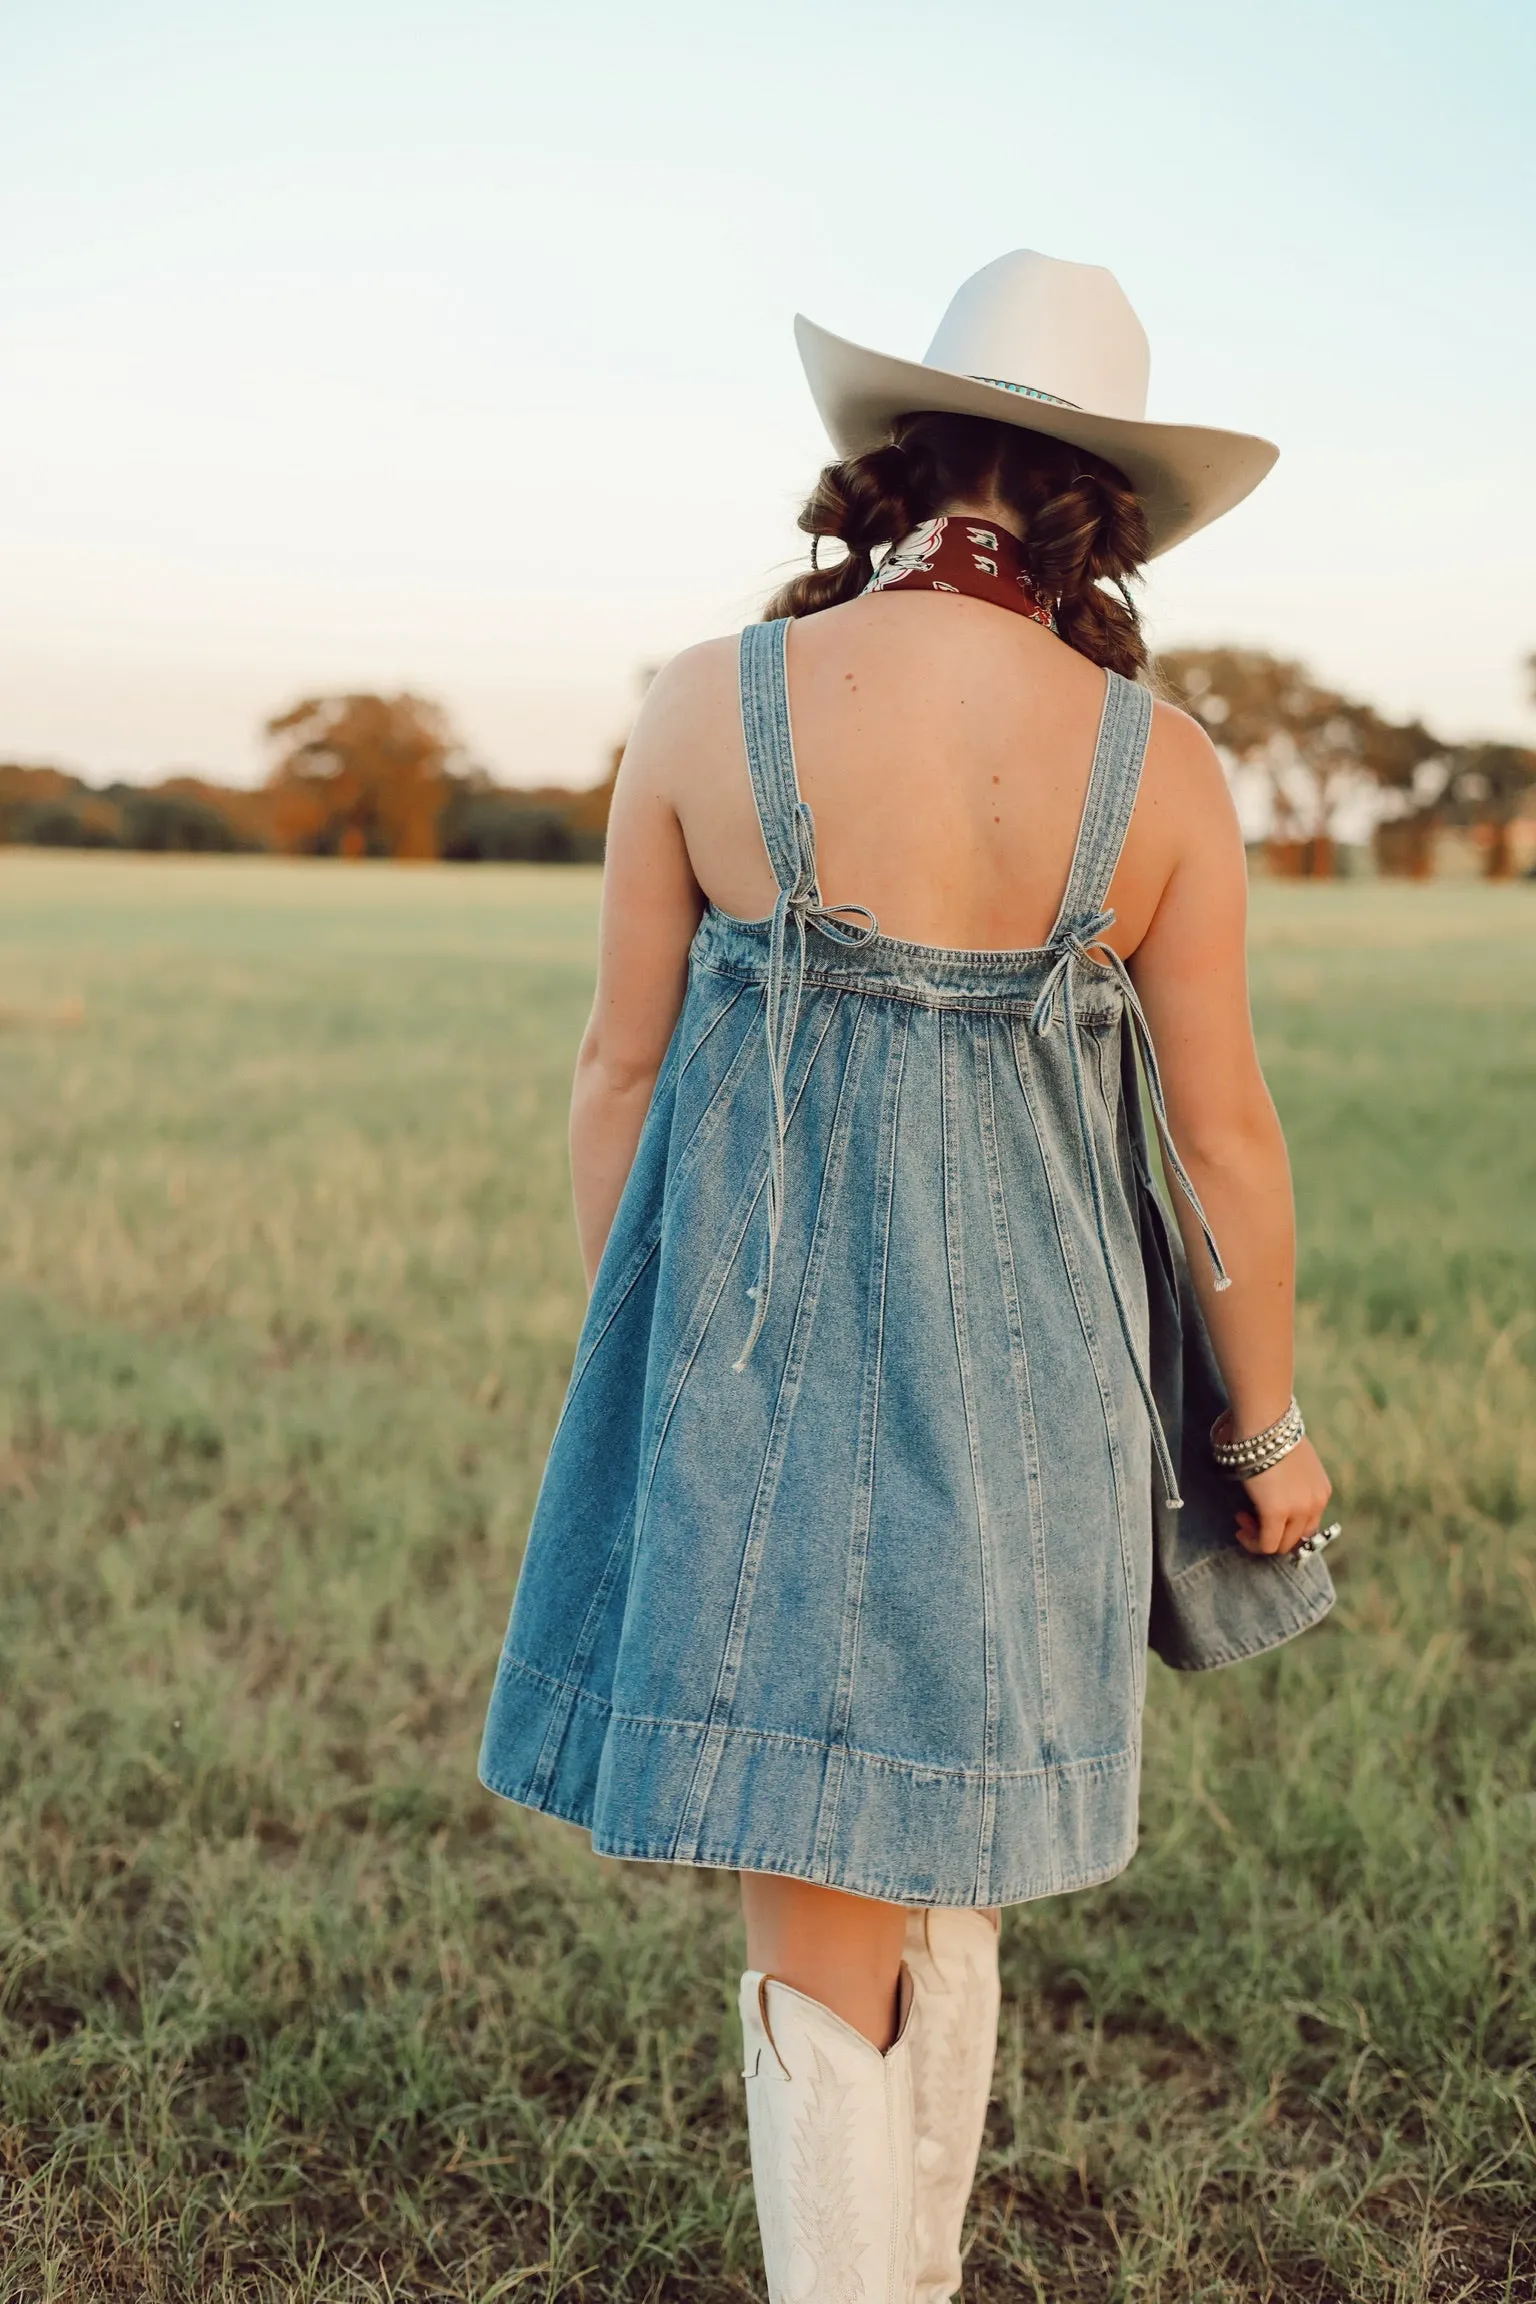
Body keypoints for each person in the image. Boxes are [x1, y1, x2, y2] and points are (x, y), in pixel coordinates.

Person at [479, 250, 1338, 2300]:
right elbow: (1223, 1141)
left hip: (762, 1395)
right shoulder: (1164, 764)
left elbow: (617, 1073)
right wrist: (1270, 1422)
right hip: (1044, 1408)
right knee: (946, 1882)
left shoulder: (711, 701)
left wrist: (660, 1354)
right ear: (1104, 511)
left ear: (885, 463)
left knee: (824, 1932)